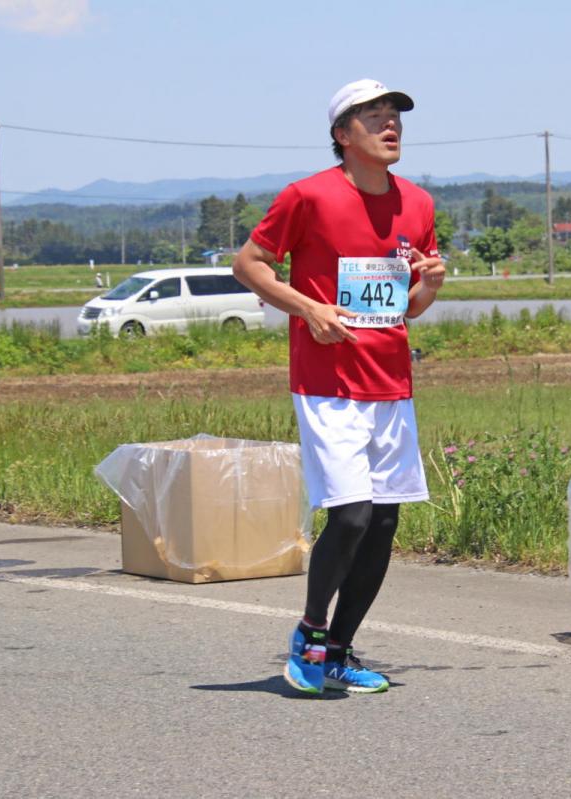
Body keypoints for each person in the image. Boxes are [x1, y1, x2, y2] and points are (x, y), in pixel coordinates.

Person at [233, 79, 446, 696]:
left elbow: (405, 308)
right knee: (349, 516)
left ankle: (341, 650)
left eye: (396, 118)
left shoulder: (419, 204)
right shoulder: (309, 196)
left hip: (391, 384)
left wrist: (429, 286)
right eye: (374, 118)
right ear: (341, 135)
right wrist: (308, 309)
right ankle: (309, 634)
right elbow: (248, 264)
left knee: (382, 524)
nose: (391, 127)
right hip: (328, 383)